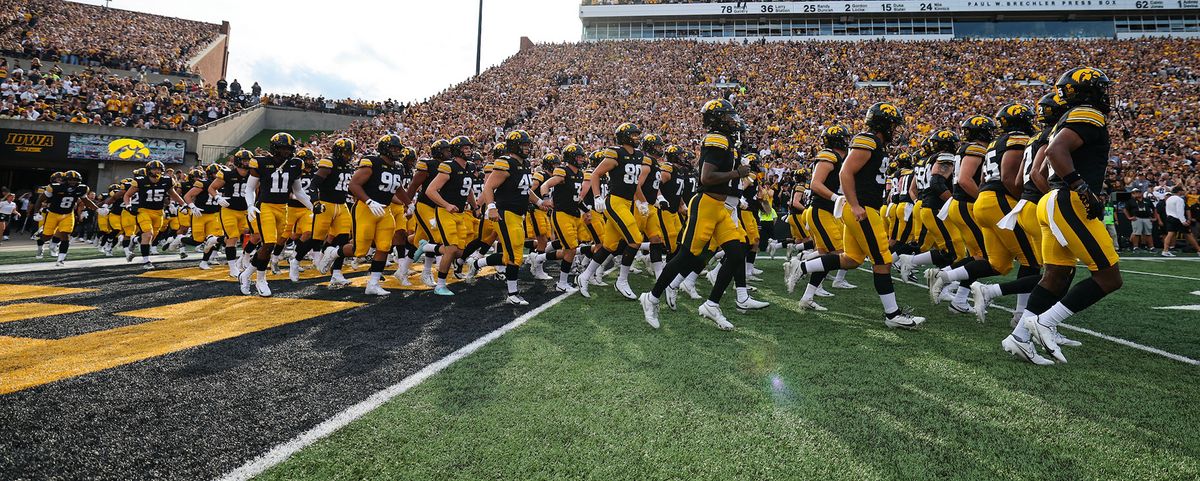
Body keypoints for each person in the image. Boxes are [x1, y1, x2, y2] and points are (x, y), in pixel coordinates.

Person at [1007, 67, 1123, 365]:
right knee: (1109, 277)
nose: (1105, 94)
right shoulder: (1088, 114)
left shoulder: (1064, 119)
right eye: (1101, 88)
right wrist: (1083, 188)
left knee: (1055, 276)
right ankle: (1046, 322)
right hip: (1068, 199)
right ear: (1088, 92)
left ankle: (1019, 337)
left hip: (1052, 200)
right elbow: (1055, 152)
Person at [792, 102, 927, 329]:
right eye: (892, 125)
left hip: (865, 207)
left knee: (850, 259)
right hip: (862, 208)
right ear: (883, 124)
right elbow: (846, 172)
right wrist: (854, 205)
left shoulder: (876, 144)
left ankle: (802, 267)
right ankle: (893, 315)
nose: (895, 130)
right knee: (883, 259)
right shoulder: (868, 140)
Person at [639, 99, 769, 331]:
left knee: (737, 252)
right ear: (717, 118)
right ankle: (652, 297)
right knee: (686, 256)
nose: (733, 120)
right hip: (706, 204)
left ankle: (712, 304)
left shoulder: (726, 141)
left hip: (719, 207)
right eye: (728, 116)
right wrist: (736, 173)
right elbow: (706, 178)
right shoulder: (716, 139)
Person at [470, 129, 552, 306]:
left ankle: (477, 264)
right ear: (514, 146)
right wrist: (491, 207)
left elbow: (525, 189)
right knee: (515, 256)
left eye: (528, 145)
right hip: (505, 213)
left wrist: (538, 202)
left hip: (518, 214)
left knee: (510, 256)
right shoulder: (505, 162)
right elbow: (488, 187)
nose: (527, 148)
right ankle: (512, 294)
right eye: (523, 145)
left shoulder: (525, 163)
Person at [577, 122, 650, 300]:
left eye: (637, 134)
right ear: (624, 136)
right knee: (635, 240)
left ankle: (584, 276)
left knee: (609, 245)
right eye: (633, 135)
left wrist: (642, 202)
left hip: (627, 203)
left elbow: (634, 183)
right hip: (615, 202)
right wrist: (596, 197)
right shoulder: (616, 152)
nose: (637, 138)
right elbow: (595, 174)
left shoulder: (639, 155)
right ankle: (622, 281)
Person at [240, 133, 313, 296]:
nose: (286, 152)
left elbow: (298, 191)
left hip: (283, 208)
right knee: (269, 244)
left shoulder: (295, 164)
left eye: (288, 149)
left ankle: (245, 274)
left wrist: (312, 206)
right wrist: (250, 205)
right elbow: (250, 188)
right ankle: (261, 280)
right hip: (265, 206)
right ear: (275, 149)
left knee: (271, 245)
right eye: (282, 148)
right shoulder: (261, 162)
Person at [415, 135, 478, 296]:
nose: (468, 150)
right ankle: (440, 285)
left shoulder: (470, 166)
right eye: (465, 148)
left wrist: (475, 206)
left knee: (460, 251)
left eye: (469, 147)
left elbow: (468, 188)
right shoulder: (448, 166)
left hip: (460, 213)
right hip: (445, 212)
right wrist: (446, 204)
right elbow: (430, 190)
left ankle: (427, 246)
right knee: (450, 250)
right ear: (457, 150)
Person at [308, 137, 358, 286]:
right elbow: (313, 184)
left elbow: (347, 187)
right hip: (326, 204)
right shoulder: (329, 163)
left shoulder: (348, 167)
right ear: (337, 152)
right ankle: (299, 259)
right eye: (345, 153)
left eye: (350, 154)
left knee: (343, 239)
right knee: (316, 237)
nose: (348, 156)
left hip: (342, 205)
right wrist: (315, 201)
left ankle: (336, 273)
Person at [123, 161, 186, 268]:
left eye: (159, 169)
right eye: (154, 169)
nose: (157, 171)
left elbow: (173, 194)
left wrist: (183, 204)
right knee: (148, 234)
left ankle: (134, 240)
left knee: (150, 239)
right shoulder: (141, 181)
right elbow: (127, 195)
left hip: (158, 212)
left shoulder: (167, 180)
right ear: (148, 171)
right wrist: (128, 206)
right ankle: (146, 261)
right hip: (143, 210)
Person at [37, 171, 98, 265]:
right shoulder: (55, 187)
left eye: (75, 180)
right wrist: (36, 213)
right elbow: (40, 199)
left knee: (65, 235)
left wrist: (98, 209)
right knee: (46, 237)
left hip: (68, 214)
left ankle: (60, 259)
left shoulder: (81, 189)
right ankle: (40, 234)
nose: (73, 182)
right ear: (65, 180)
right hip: (53, 214)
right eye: (71, 180)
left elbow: (86, 200)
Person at [209, 149, 253, 277]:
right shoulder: (227, 174)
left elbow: (256, 190)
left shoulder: (253, 174)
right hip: (229, 210)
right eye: (245, 160)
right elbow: (212, 188)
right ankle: (233, 268)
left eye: (249, 160)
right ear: (238, 161)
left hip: (244, 210)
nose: (247, 163)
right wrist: (217, 198)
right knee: (233, 238)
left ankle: (215, 240)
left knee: (245, 232)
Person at [1161, 185, 1198, 256]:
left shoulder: (1169, 199)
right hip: (1177, 219)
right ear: (1179, 191)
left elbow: (1167, 209)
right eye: (1182, 191)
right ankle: (1199, 250)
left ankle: (1165, 250)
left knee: (1169, 235)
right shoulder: (1179, 199)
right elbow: (1179, 211)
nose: (1183, 192)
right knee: (1189, 235)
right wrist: (1183, 221)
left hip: (1170, 218)